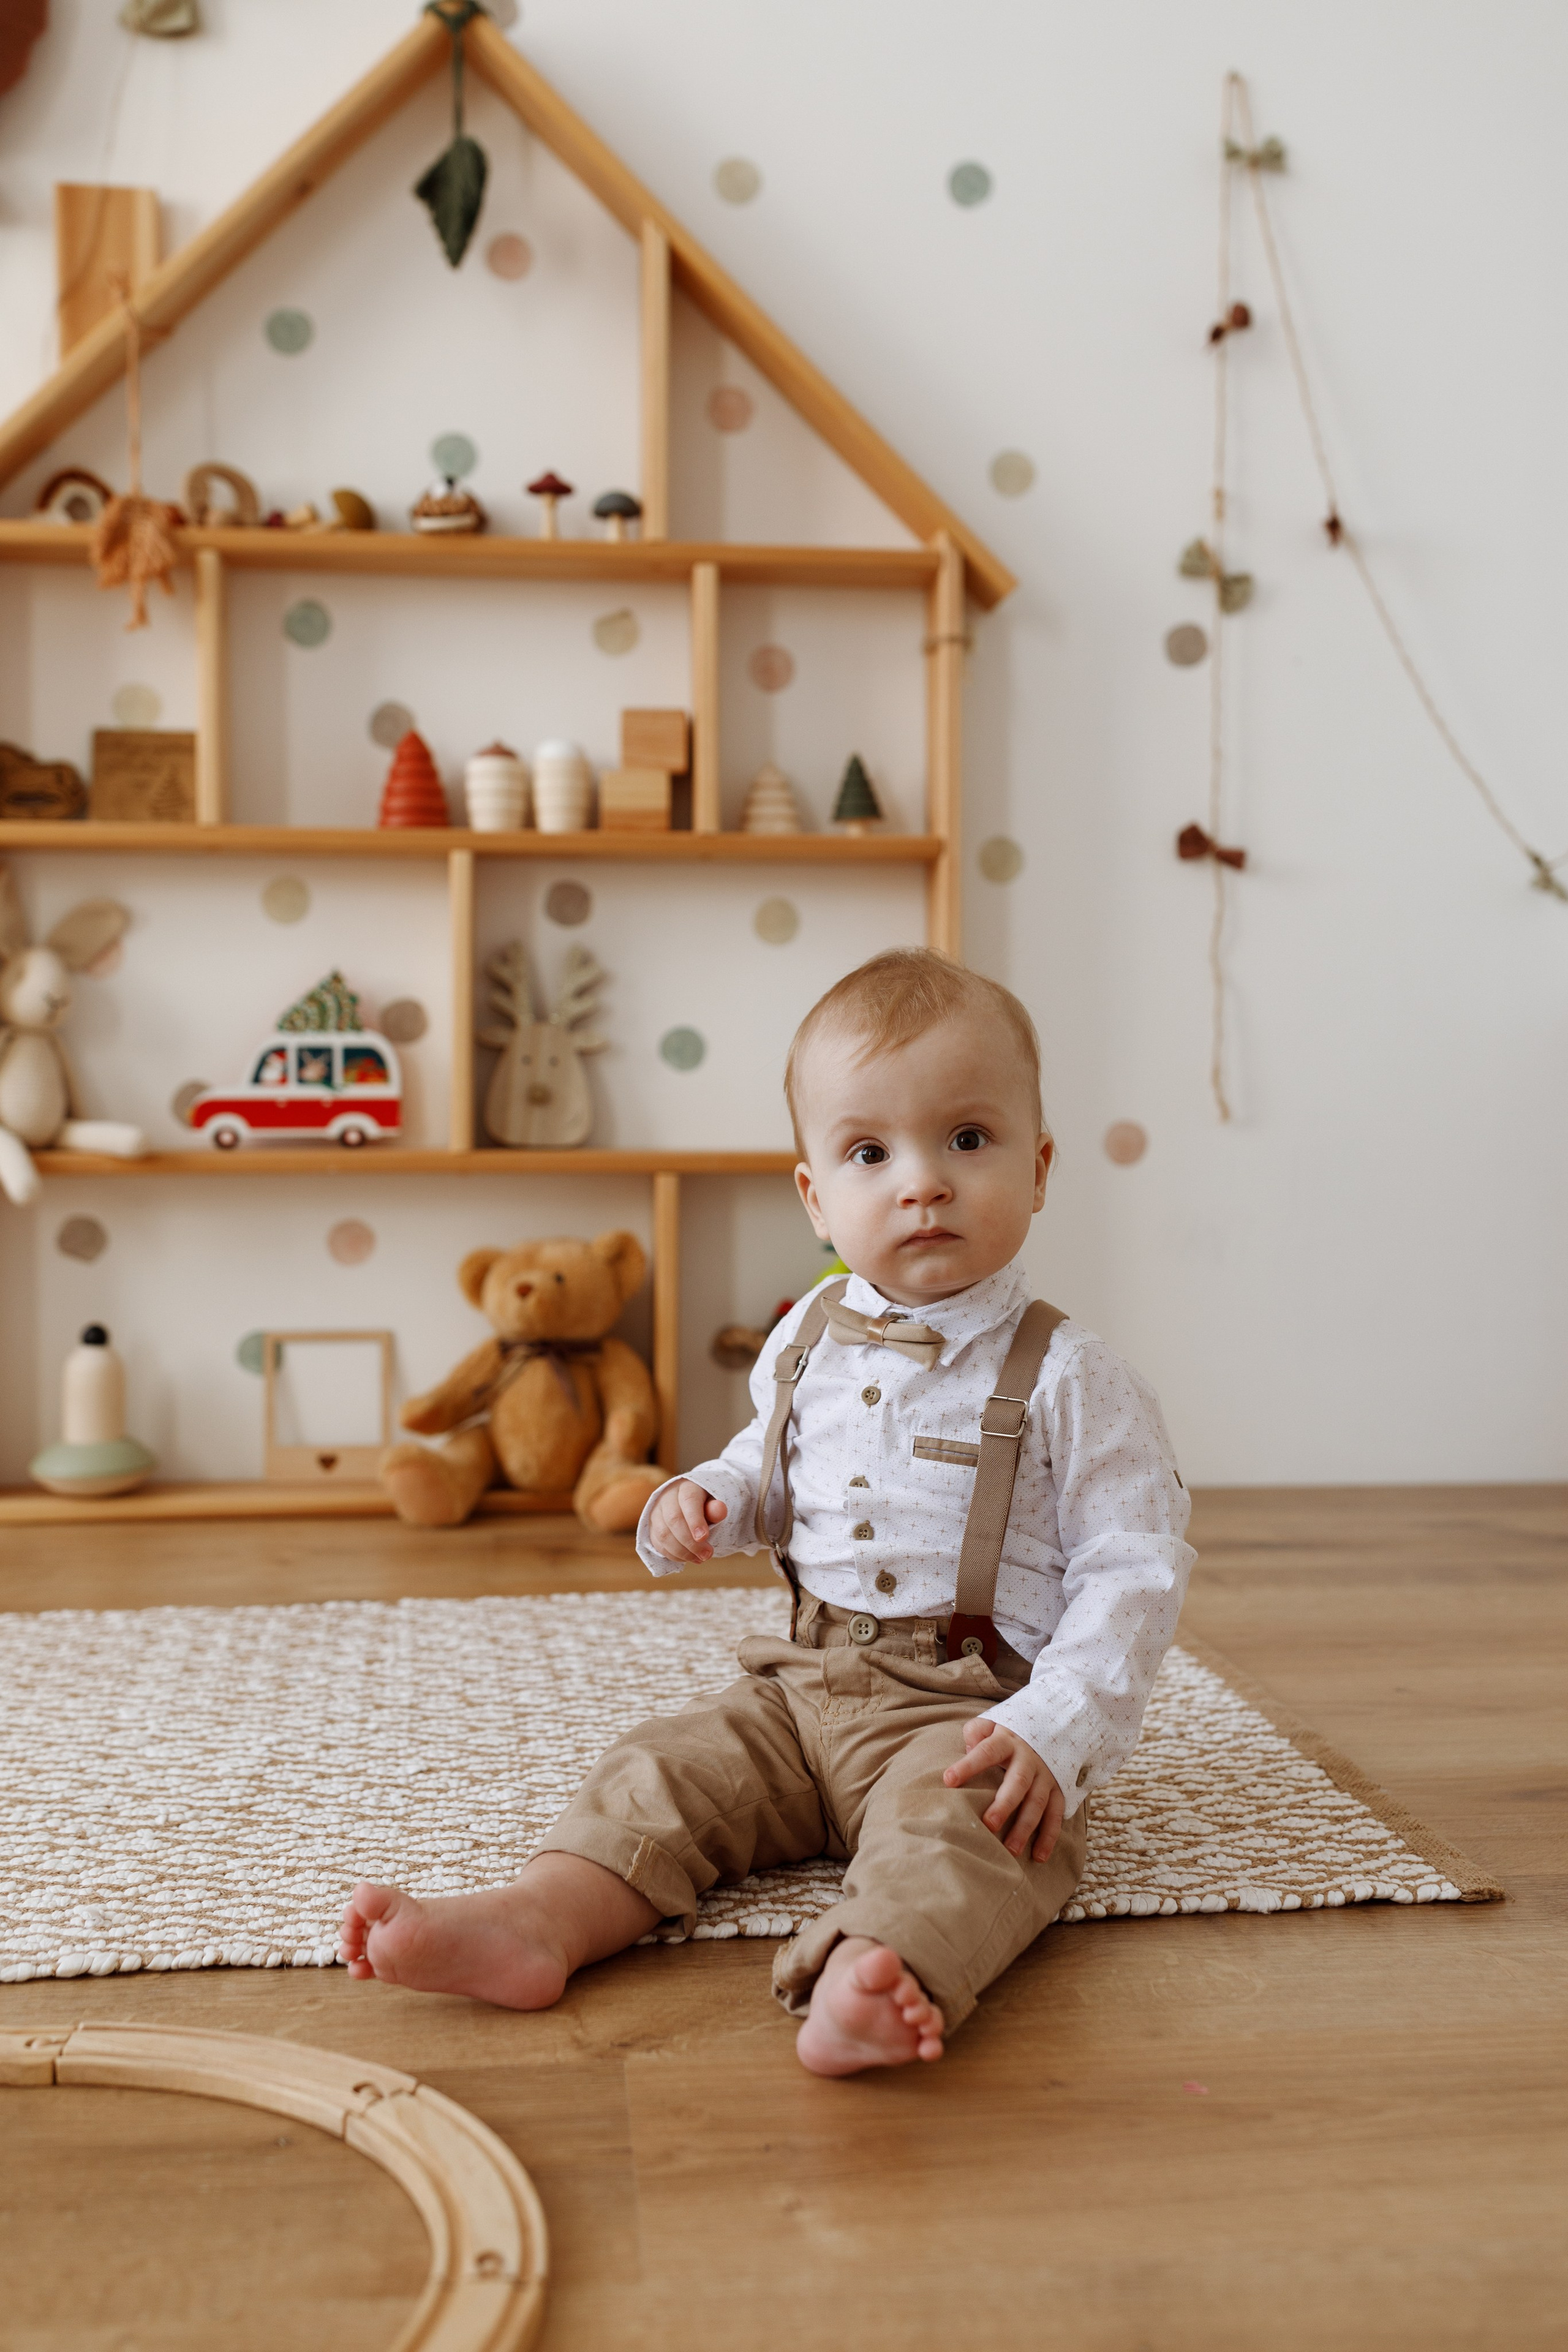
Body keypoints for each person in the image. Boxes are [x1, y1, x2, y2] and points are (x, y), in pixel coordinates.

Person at [341, 949, 1194, 2075]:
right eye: (870, 1153)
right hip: (799, 1688)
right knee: (664, 1767)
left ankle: (880, 1968)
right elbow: (775, 1455)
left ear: (1038, 1169)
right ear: (816, 1197)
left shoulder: (1073, 1374)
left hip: (969, 1707)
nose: (922, 1183)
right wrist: (715, 1497)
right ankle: (539, 1918)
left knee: (977, 1832)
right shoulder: (807, 1335)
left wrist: (1059, 1724)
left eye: (967, 1139)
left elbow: (1134, 1566)